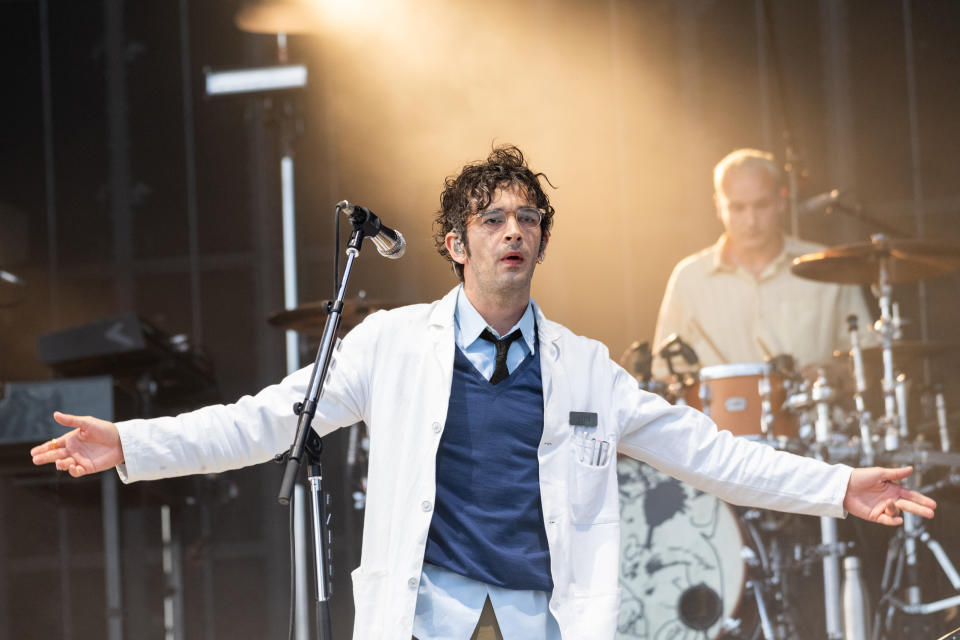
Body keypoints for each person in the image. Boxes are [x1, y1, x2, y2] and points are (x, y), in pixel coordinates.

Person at [31, 145, 935, 640]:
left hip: (544, 619)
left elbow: (710, 452)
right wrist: (133, 443)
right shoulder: (389, 345)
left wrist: (836, 486)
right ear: (456, 244)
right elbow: (269, 419)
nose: (514, 231)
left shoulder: (583, 367)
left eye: (528, 219)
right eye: (493, 218)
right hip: (429, 618)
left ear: (542, 244)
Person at [652, 148, 874, 376]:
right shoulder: (689, 279)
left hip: (814, 411)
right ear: (718, 206)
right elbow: (664, 373)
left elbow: (870, 359)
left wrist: (830, 376)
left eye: (761, 205)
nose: (751, 221)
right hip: (718, 412)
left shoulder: (829, 267)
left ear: (781, 200)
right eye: (737, 208)